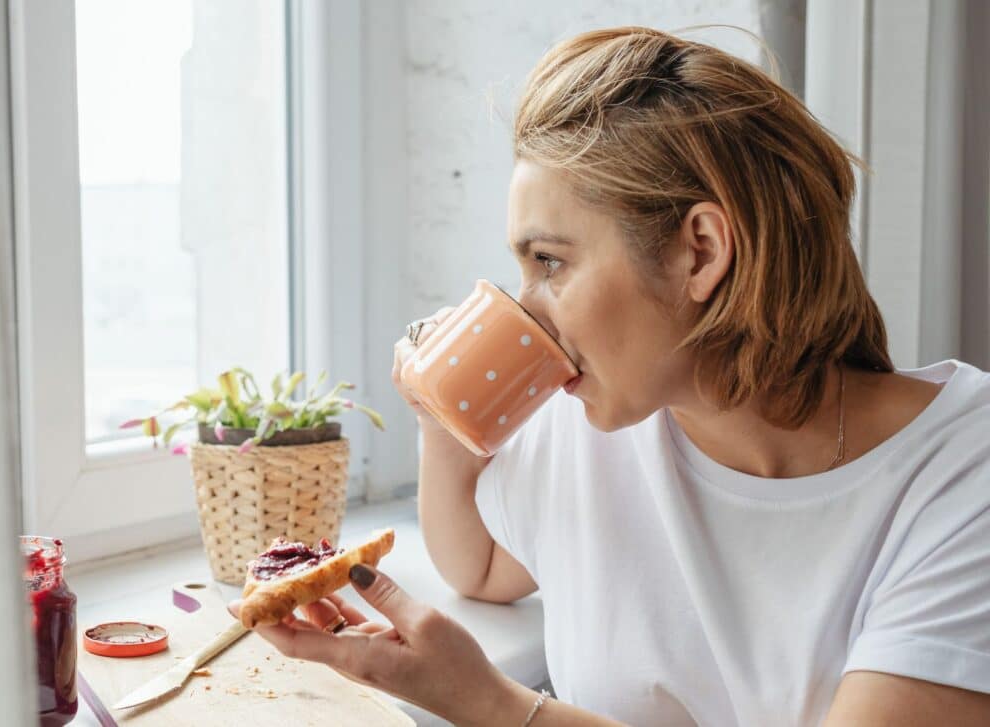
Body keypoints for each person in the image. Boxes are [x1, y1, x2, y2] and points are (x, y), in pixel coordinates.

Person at [228, 26, 990, 726]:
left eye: (549, 262)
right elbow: (484, 565)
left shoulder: (963, 470)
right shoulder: (602, 420)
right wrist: (444, 423)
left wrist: (493, 706)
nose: (525, 312)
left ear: (700, 250)